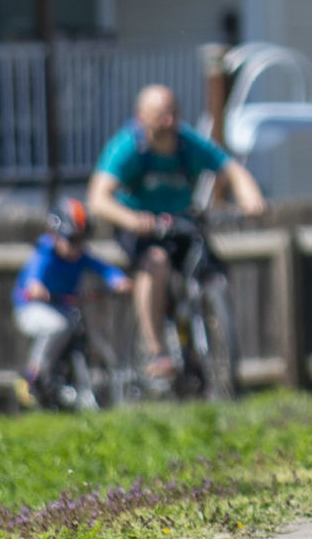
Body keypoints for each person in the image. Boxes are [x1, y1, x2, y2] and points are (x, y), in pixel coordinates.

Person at [86, 84, 267, 379]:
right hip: (141, 228)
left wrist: (250, 199)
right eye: (160, 115)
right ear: (141, 117)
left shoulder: (188, 144)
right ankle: (155, 349)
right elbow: (97, 198)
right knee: (155, 262)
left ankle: (211, 339)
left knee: (211, 271)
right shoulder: (128, 147)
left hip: (181, 223)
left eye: (173, 114)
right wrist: (131, 219)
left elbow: (232, 170)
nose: (169, 122)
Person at [11, 196, 131, 408]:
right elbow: (34, 274)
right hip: (31, 308)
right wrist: (35, 286)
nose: (77, 247)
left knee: (77, 329)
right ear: (56, 235)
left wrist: (118, 279)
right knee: (58, 326)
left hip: (64, 307)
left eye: (81, 240)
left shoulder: (80, 256)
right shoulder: (46, 253)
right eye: (72, 240)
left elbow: (103, 268)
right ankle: (35, 374)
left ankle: (72, 380)